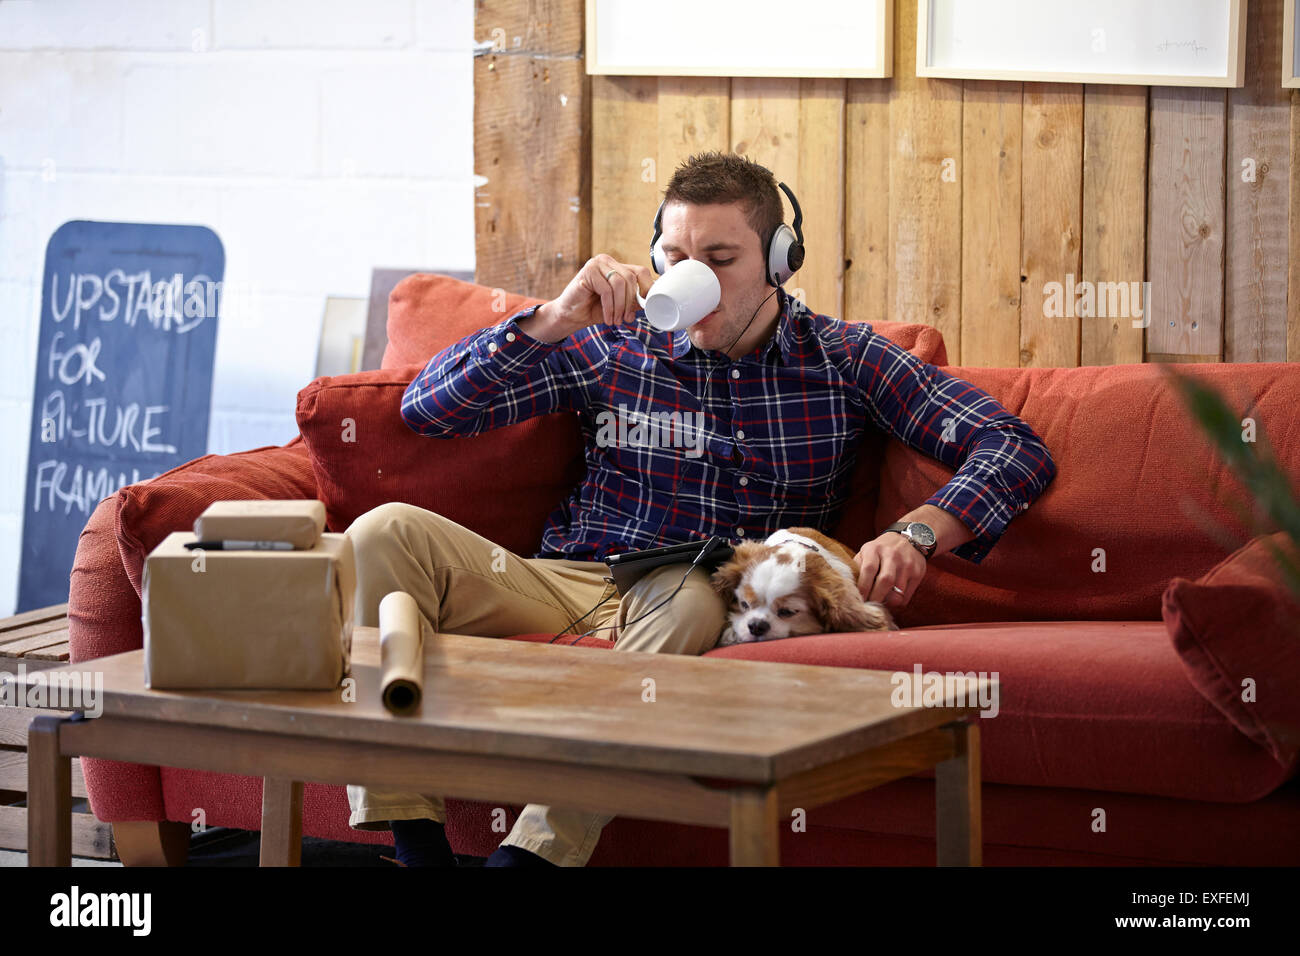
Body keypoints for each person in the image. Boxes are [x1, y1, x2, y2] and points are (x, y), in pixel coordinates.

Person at [344, 151, 1057, 867]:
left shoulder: (842, 359)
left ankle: (528, 860)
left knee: (690, 604)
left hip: (691, 587)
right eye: (677, 256)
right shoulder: (610, 344)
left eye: (721, 257)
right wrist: (555, 318)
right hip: (562, 578)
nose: (695, 278)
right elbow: (428, 411)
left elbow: (1011, 446)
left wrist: (919, 532)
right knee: (384, 532)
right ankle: (416, 845)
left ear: (780, 261)